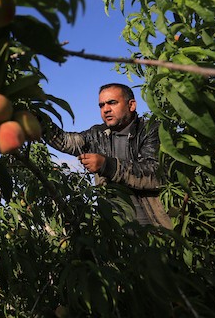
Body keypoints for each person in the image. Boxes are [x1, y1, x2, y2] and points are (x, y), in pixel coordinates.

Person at [44, 83, 172, 229]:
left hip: (154, 226)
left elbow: (156, 174)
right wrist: (39, 123)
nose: (106, 109)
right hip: (116, 229)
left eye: (112, 103)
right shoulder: (98, 134)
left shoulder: (151, 130)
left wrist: (107, 165)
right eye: (101, 105)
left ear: (131, 105)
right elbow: (67, 142)